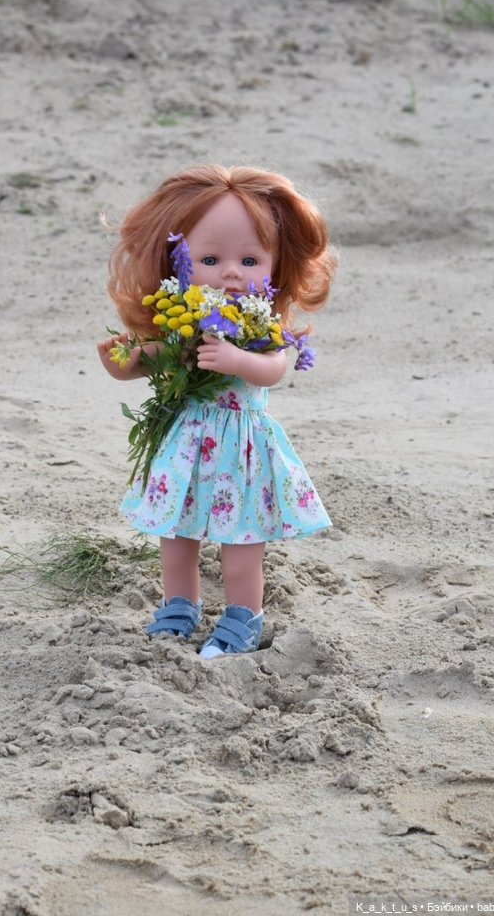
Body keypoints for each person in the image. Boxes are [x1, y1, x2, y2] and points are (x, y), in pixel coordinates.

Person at [97, 164, 337, 658]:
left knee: (241, 550)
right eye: (209, 259)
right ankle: (179, 606)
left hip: (241, 457)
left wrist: (237, 359)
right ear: (177, 265)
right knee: (176, 539)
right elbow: (154, 359)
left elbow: (273, 369)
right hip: (188, 452)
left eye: (250, 260)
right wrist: (122, 363)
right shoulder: (185, 322)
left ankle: (243, 617)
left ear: (276, 265)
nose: (231, 272)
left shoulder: (262, 327)